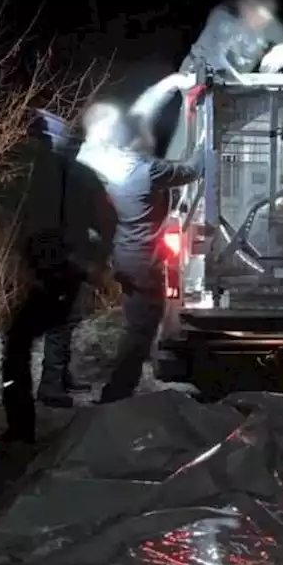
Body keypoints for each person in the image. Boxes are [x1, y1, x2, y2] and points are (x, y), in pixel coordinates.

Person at [0, 109, 118, 443]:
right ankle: (52, 385)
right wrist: (95, 260)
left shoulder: (35, 174)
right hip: (68, 267)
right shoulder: (83, 176)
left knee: (21, 343)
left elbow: (25, 220)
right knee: (59, 324)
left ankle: (28, 416)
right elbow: (108, 222)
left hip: (50, 268)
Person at [76, 108, 205, 404]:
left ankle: (119, 389)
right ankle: (116, 394)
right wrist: (208, 135)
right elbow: (192, 170)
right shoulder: (146, 168)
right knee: (140, 329)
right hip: (144, 260)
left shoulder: (112, 166)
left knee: (137, 324)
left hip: (125, 254)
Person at [128, 0, 283, 153]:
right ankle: (176, 175)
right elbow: (217, 60)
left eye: (264, 17)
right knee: (194, 133)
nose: (259, 22)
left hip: (232, 86)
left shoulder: (267, 23)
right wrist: (246, 86)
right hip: (198, 76)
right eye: (254, 14)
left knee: (226, 134)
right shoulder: (224, 18)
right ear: (244, 5)